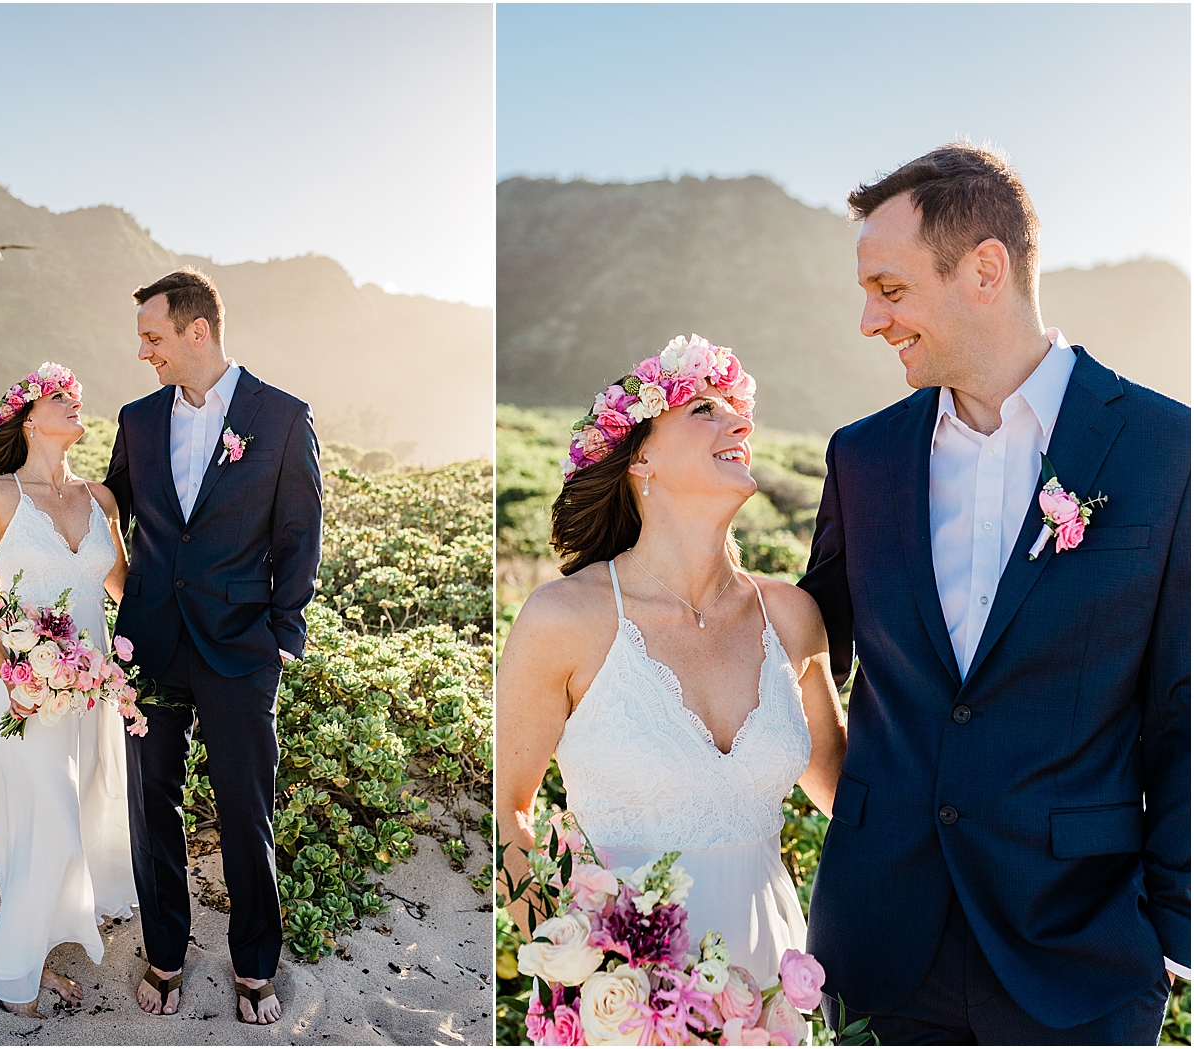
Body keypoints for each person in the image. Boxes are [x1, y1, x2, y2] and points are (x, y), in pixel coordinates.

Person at [799, 143, 1190, 1043]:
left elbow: (1185, 704)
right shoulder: (860, 458)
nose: (869, 319)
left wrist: (1176, 931)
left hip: (1081, 956)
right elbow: (809, 639)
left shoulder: (1167, 450)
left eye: (890, 290)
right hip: (880, 951)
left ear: (985, 269)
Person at [496, 335, 847, 989]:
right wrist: (582, 977)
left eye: (737, 410)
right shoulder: (563, 619)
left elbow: (851, 798)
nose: (740, 422)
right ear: (641, 458)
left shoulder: (793, 617)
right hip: (624, 999)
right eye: (704, 410)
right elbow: (507, 813)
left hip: (771, 986)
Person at [103, 268, 323, 1025]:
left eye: (153, 337)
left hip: (240, 648)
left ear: (199, 331)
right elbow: (110, 509)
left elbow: (300, 536)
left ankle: (254, 965)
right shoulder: (135, 419)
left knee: (245, 811)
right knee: (150, 805)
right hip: (152, 644)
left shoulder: (284, 417)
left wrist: (279, 637)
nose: (144, 353)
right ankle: (165, 953)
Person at [0, 363, 136, 1017]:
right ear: (29, 416)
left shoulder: (102, 500)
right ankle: (9, 977)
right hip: (24, 696)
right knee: (50, 823)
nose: (76, 403)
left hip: (90, 692)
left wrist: (134, 674)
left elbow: (122, 594)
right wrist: (12, 672)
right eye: (63, 396)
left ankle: (35, 955)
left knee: (75, 819)